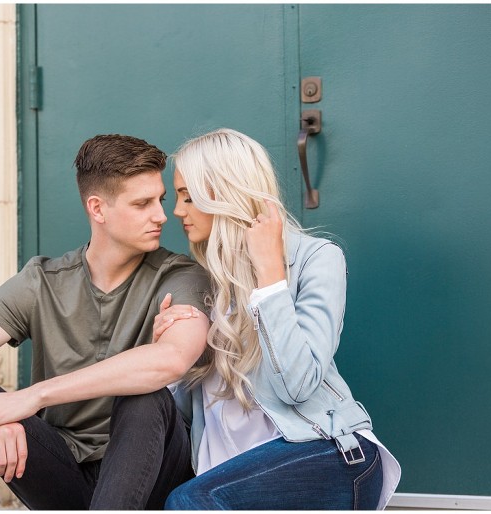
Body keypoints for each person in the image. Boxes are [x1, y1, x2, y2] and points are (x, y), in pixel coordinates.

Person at [0, 134, 211, 510]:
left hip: (149, 472)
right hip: (64, 471)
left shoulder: (180, 275)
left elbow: (170, 360)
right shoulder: (43, 281)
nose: (161, 215)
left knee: (145, 399)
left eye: (160, 200)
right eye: (142, 204)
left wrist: (30, 397)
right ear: (97, 208)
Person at [153, 128, 401, 509]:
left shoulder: (316, 258)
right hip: (229, 474)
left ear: (222, 194)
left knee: (189, 501)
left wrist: (270, 278)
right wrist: (170, 358)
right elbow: (188, 413)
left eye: (188, 196)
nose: (177, 211)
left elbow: (297, 385)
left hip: (325, 454)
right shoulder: (203, 278)